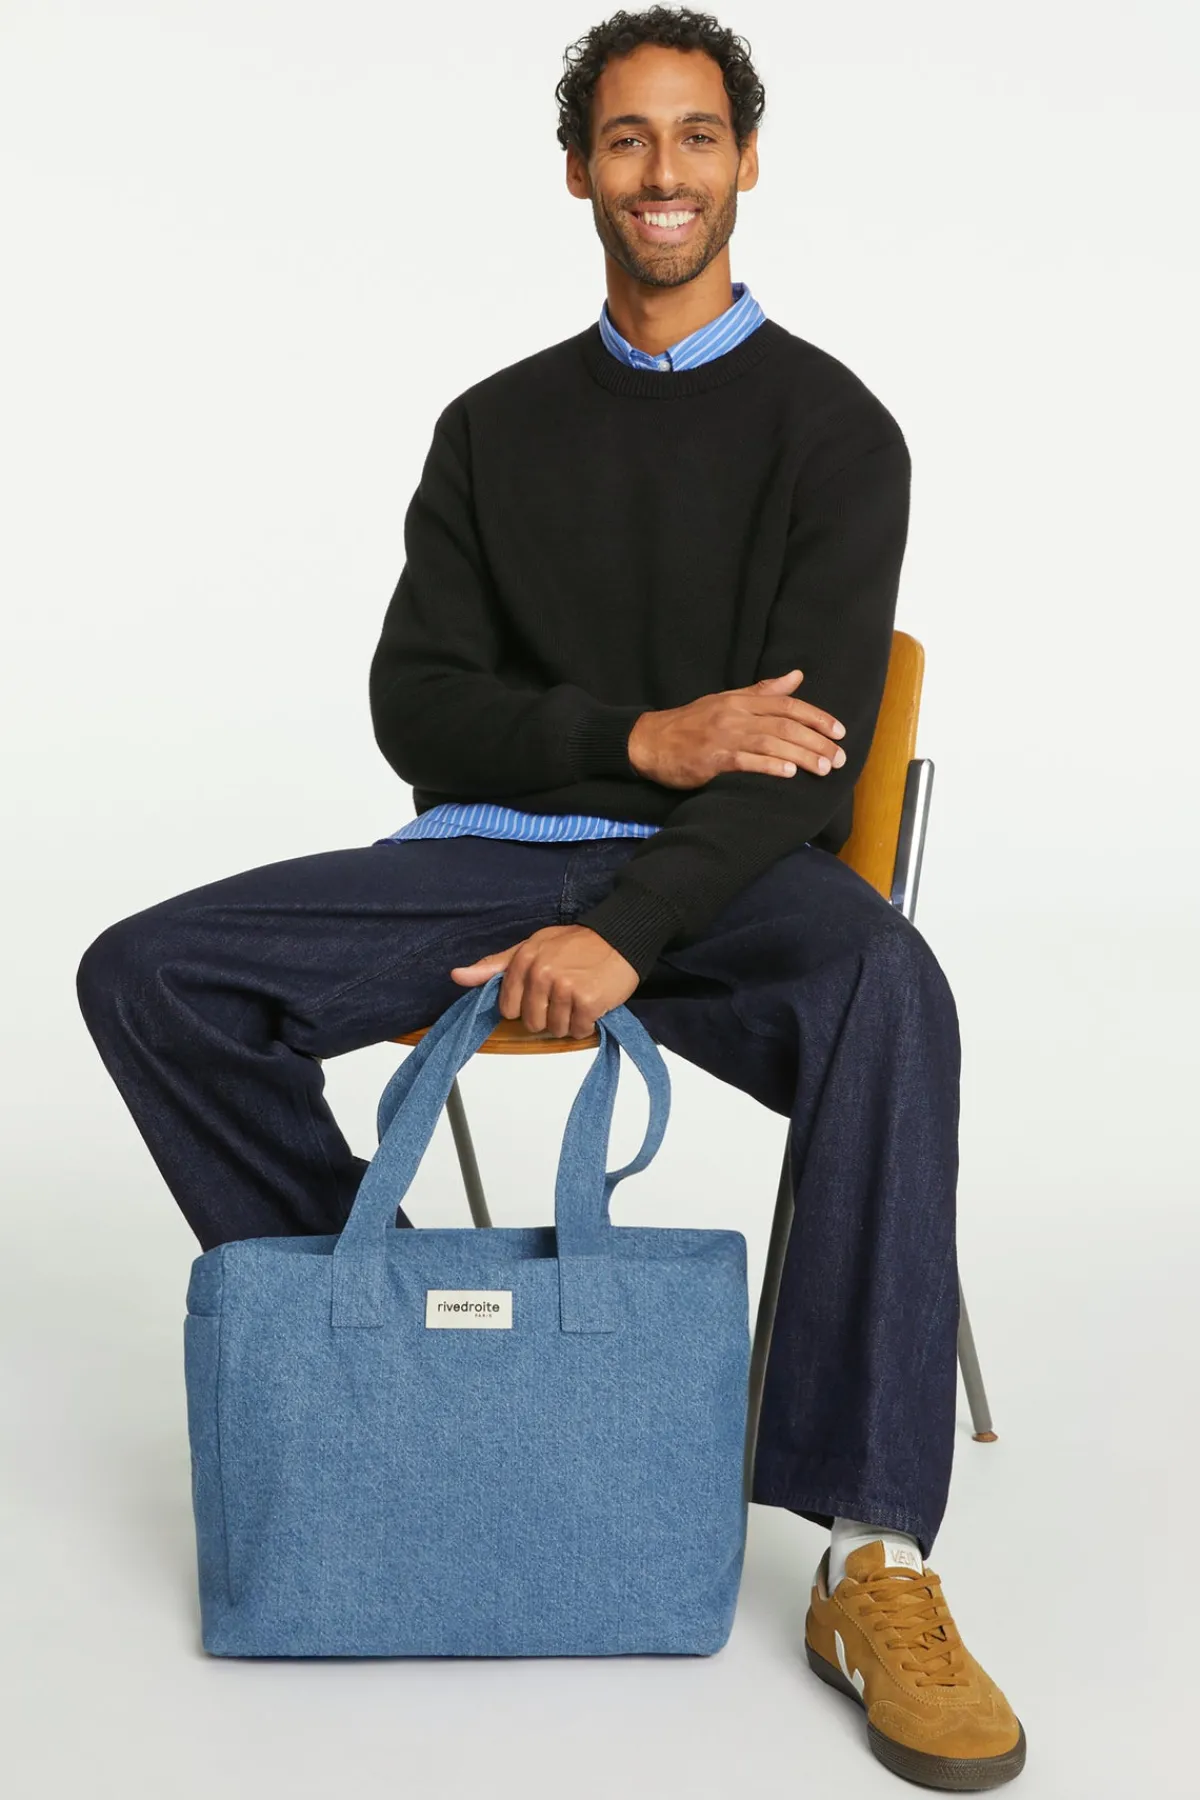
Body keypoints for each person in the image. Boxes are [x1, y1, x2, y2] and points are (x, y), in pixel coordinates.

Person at [76, 6, 1023, 1787]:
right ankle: (401, 1360)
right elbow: (415, 706)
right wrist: (643, 736)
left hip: (731, 881)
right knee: (146, 974)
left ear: (748, 160)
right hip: (490, 850)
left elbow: (805, 765)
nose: (663, 173)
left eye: (696, 135)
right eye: (627, 138)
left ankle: (874, 1557)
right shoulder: (492, 428)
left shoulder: (836, 431)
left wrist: (627, 924)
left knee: (890, 989)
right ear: (578, 168)